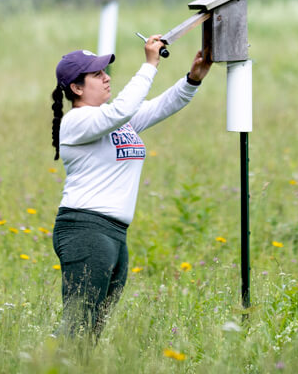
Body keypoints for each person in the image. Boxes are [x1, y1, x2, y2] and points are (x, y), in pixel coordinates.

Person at [48, 35, 211, 337]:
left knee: (93, 329)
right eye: (96, 74)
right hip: (86, 231)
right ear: (76, 88)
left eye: (105, 72)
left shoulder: (114, 121)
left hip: (114, 234)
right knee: (77, 326)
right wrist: (150, 64)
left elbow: (162, 105)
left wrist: (193, 79)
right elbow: (121, 109)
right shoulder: (78, 122)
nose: (106, 78)